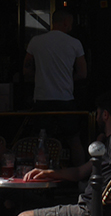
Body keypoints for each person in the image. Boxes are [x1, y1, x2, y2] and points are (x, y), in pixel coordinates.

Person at [24, 9, 87, 165]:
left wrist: (39, 79)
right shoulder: (74, 43)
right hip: (65, 99)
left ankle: (39, 174)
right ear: (65, 22)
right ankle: (79, 177)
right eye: (70, 23)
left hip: (42, 98)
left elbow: (26, 69)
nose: (71, 26)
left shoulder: (35, 42)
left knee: (41, 141)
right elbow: (83, 73)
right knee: (74, 141)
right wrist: (68, 79)